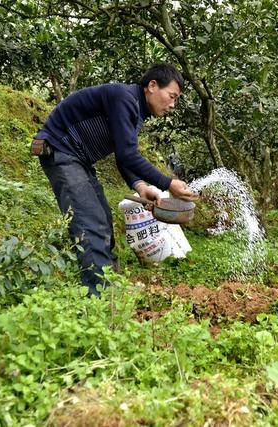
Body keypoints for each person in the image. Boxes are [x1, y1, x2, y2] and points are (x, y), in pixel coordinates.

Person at [33, 64, 195, 297]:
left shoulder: (136, 109)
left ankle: (109, 284)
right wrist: (168, 183)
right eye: (171, 96)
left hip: (79, 160)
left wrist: (141, 187)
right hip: (61, 151)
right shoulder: (124, 98)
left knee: (103, 218)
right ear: (151, 86)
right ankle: (97, 296)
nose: (172, 105)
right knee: (91, 222)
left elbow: (123, 155)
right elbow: (127, 155)